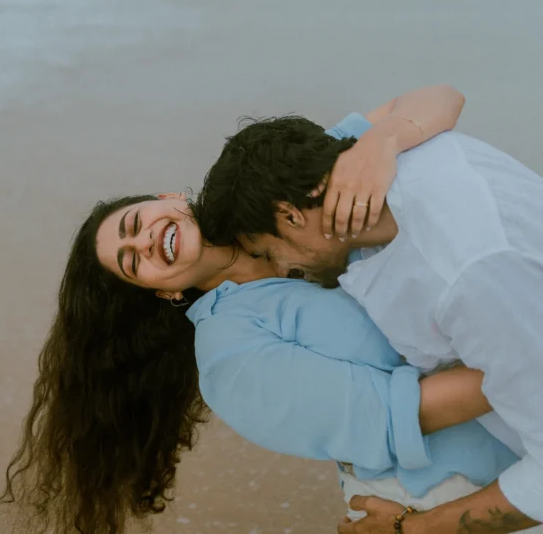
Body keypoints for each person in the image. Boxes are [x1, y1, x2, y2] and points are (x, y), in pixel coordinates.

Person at [0, 86, 520, 534]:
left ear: (169, 197)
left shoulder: (274, 192)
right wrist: (526, 353)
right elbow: (403, 413)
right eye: (133, 263)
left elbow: (441, 98)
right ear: (163, 294)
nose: (146, 242)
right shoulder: (232, 357)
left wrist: (382, 142)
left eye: (136, 223)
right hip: (451, 495)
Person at [195, 107, 543, 532]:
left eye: (269, 253)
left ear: (290, 215)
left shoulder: (467, 276)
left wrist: (410, 528)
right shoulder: (427, 154)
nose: (282, 270)